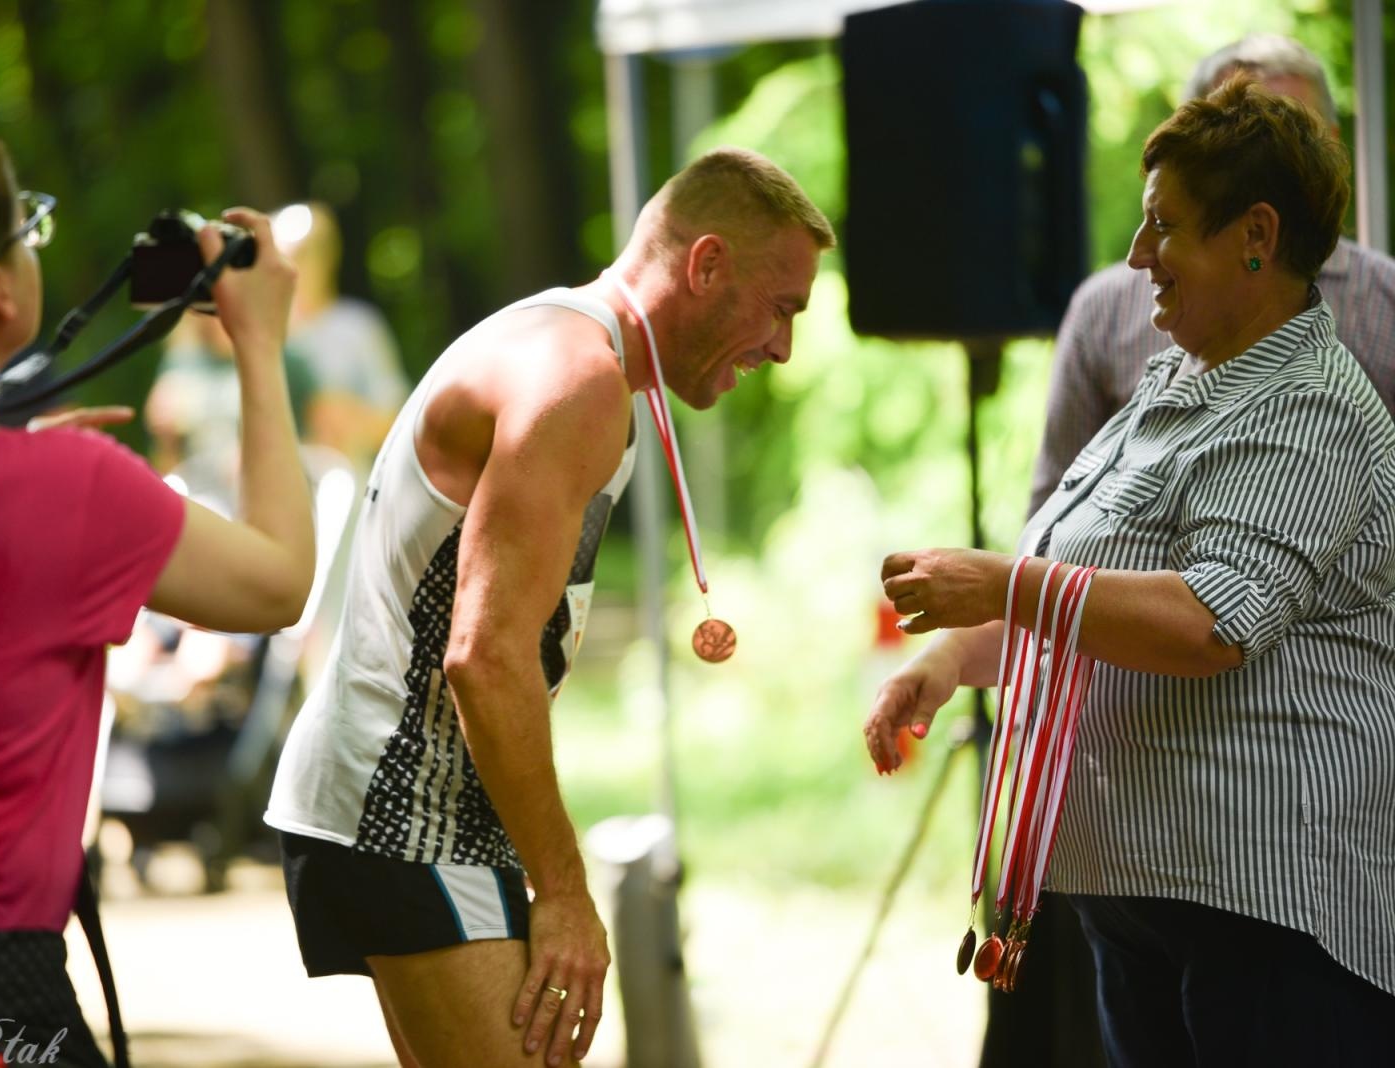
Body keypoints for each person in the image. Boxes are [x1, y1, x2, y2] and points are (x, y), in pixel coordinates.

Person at [866, 79, 1395, 1067]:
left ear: (1257, 235)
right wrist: (944, 665)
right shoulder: (1177, 381)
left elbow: (1210, 623)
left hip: (1267, 909)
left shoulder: (1310, 409)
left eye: (1166, 225)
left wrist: (1006, 585)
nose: (1136, 255)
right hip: (1145, 895)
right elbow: (1080, 596)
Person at [265, 147, 832, 1068]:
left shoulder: (573, 347)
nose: (783, 346)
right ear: (706, 264)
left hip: (402, 803)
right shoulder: (577, 380)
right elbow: (485, 658)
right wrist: (564, 892)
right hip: (407, 811)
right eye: (782, 308)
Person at [0, 105, 314, 1066]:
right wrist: (259, 345)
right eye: (24, 230)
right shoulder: (77, 491)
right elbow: (278, 583)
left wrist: (14, 466)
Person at [1030, 34, 1395, 514]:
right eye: (1234, 145)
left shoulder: (1352, 348)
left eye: (1292, 142)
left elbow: (1234, 565)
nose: (1139, 256)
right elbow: (1055, 503)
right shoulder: (1106, 313)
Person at [272, 199, 410, 470]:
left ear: (329, 257)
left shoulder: (358, 327)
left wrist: (350, 419)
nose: (295, 265)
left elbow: (401, 423)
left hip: (346, 481)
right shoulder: (253, 333)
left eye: (307, 253)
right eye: (283, 254)